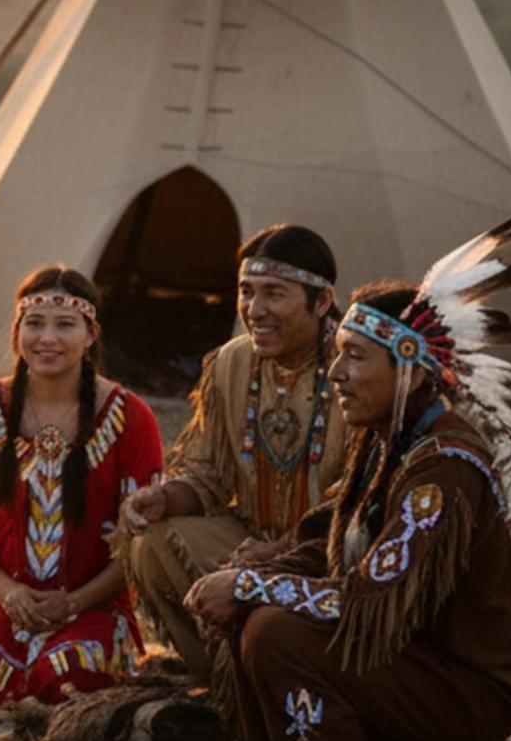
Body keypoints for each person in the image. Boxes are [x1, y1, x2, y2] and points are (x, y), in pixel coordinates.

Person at [183, 220, 511, 741]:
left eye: (355, 358)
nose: (335, 373)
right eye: (338, 356)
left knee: (278, 631)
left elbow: (372, 599)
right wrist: (261, 574)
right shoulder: (386, 440)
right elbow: (323, 542)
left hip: (466, 690)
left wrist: (255, 587)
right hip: (416, 660)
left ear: (411, 370)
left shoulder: (442, 467)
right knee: (256, 614)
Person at [117, 225, 348, 694]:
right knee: (149, 539)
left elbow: (365, 499)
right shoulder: (231, 362)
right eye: (246, 292)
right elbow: (208, 472)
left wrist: (284, 552)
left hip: (331, 557)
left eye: (273, 294)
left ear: (321, 302)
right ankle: (224, 687)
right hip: (250, 540)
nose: (254, 310)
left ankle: (291, 686)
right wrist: (165, 497)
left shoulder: (356, 368)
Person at [0, 265, 163, 718]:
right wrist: (8, 592)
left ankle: (42, 680)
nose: (47, 338)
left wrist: (73, 602)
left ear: (91, 334)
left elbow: (140, 543)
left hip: (92, 603)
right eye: (34, 324)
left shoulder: (131, 418)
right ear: (17, 332)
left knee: (69, 678)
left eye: (65, 325)